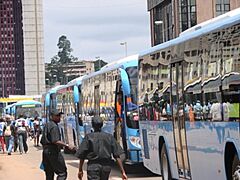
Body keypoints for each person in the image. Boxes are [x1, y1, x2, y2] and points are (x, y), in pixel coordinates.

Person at [40, 109, 76, 180]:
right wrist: (67, 145)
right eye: (57, 116)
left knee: (49, 174)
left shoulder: (47, 125)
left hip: (46, 152)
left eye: (59, 116)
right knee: (62, 173)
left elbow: (42, 141)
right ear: (51, 117)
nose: (59, 117)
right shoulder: (54, 126)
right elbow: (55, 141)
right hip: (53, 152)